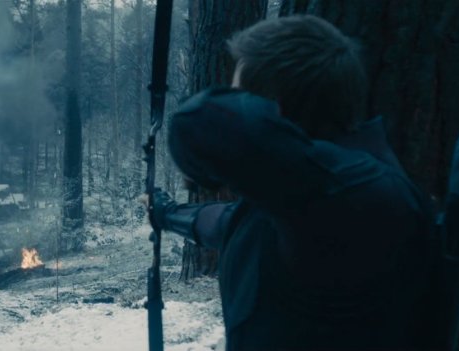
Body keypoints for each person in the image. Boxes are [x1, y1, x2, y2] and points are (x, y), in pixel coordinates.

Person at [150, 15, 436, 350]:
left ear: (266, 108)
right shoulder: (301, 197)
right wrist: (167, 213)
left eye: (237, 93)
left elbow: (199, 121)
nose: (230, 97)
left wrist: (205, 163)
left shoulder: (354, 194)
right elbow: (231, 223)